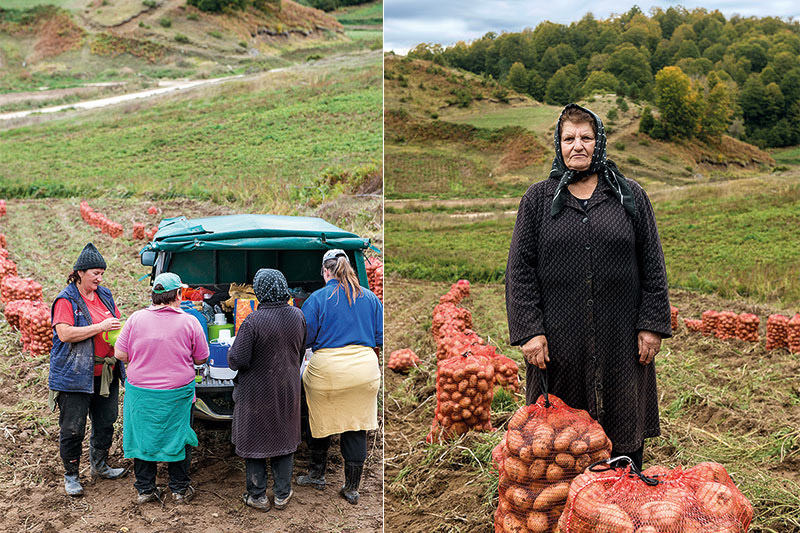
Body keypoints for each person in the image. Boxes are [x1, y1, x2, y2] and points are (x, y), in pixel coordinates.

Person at [505, 103, 671, 470]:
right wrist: (530, 331)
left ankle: (622, 500)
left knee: (624, 419)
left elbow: (653, 265)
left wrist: (651, 325)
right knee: (560, 434)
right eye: (568, 138)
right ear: (558, 145)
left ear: (600, 143)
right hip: (559, 341)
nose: (577, 145)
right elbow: (519, 271)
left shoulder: (629, 196)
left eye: (586, 137)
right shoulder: (537, 200)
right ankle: (568, 509)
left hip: (622, 337)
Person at [114, 272, 209, 504]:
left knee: (142, 439)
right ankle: (179, 489)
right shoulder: (190, 321)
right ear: (178, 294)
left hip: (141, 394)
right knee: (179, 437)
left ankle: (145, 490)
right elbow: (201, 358)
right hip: (177, 395)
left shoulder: (136, 319)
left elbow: (120, 354)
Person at [297, 249, 382, 505]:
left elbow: (306, 339)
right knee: (357, 425)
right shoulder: (369, 297)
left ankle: (316, 474)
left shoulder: (317, 298)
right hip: (365, 370)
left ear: (325, 271)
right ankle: (352, 487)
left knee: (319, 417)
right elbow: (378, 338)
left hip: (329, 371)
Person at [50, 242, 127, 497]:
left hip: (105, 374)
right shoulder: (66, 299)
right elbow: (64, 333)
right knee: (73, 427)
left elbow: (114, 322)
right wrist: (100, 327)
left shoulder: (105, 294)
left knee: (106, 422)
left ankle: (100, 465)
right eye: (95, 273)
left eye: (102, 273)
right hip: (74, 375)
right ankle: (71, 474)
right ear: (80, 272)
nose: (99, 278)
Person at [227, 269, 307, 512]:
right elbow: (301, 351)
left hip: (256, 392)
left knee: (255, 439)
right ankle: (282, 494)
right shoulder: (298, 316)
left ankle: (258, 496)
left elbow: (237, 359)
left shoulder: (253, 321)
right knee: (285, 434)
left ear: (260, 292)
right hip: (287, 388)